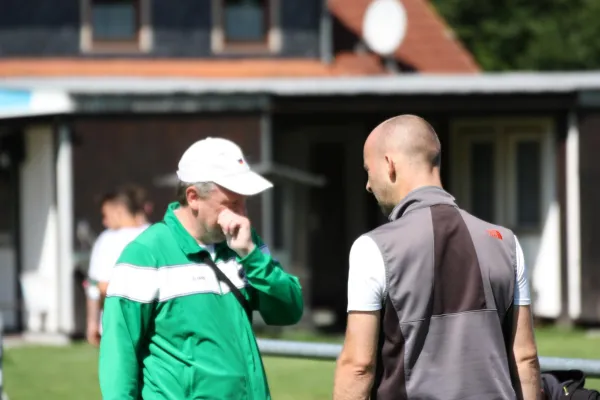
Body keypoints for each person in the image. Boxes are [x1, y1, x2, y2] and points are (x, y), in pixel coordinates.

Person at [333, 115, 542, 400]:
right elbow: (525, 357)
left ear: (389, 164)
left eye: (368, 170)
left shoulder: (372, 248)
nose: (368, 185)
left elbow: (358, 366)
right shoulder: (507, 242)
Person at [98, 137, 304, 400]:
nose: (241, 215)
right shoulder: (145, 254)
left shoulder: (244, 243)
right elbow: (119, 353)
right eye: (231, 204)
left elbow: (290, 310)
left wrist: (251, 256)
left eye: (244, 203)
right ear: (193, 197)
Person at [85, 184, 151, 346]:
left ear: (119, 211)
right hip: (153, 324)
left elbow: (99, 286)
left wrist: (92, 322)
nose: (104, 221)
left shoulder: (108, 240)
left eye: (106, 215)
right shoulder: (154, 234)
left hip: (118, 326)